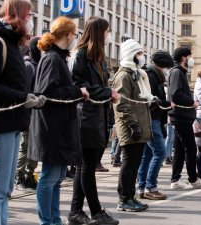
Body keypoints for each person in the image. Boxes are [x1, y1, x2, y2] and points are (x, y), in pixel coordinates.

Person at [0, 1, 45, 224]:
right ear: (14, 15)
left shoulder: (10, 42)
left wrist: (28, 97)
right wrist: (22, 97)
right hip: (0, 123)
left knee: (4, 189)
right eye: (28, 15)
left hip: (11, 122)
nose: (30, 19)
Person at [28, 16, 89, 225]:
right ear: (68, 34)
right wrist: (77, 91)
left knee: (56, 178)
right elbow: (47, 92)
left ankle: (53, 219)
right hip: (52, 127)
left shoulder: (56, 57)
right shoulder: (53, 58)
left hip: (58, 126)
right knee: (50, 178)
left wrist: (75, 92)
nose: (75, 38)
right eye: (74, 34)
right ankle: (48, 220)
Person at [68, 16, 119, 224]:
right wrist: (108, 92)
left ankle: (76, 212)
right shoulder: (80, 54)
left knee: (85, 166)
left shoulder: (97, 57)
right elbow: (78, 84)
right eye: (107, 31)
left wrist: (107, 93)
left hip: (96, 116)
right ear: (99, 32)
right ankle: (96, 212)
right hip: (85, 115)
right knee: (87, 165)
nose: (109, 35)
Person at [112, 38, 154, 212]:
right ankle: (124, 199)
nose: (142, 56)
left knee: (135, 164)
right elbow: (122, 103)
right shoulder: (124, 75)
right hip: (130, 127)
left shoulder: (137, 74)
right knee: (128, 164)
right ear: (131, 54)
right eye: (139, 53)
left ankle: (130, 197)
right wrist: (133, 125)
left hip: (140, 125)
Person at [168, 47, 201, 190]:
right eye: (189, 56)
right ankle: (193, 179)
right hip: (181, 117)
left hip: (182, 116)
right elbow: (175, 94)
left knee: (180, 150)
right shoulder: (177, 72)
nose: (191, 59)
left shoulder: (179, 72)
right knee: (191, 148)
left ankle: (175, 180)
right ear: (184, 58)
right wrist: (191, 102)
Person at [137, 50, 174, 200]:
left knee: (147, 155)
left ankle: (141, 187)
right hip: (151, 119)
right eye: (167, 67)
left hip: (154, 119)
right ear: (163, 66)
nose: (168, 71)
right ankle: (150, 186)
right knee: (160, 152)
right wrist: (168, 104)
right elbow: (153, 100)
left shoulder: (153, 76)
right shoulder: (151, 77)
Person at [16, 36, 41, 191]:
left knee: (34, 146)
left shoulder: (39, 65)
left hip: (37, 113)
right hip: (27, 113)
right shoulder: (28, 66)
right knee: (25, 145)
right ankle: (19, 177)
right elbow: (25, 91)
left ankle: (30, 174)